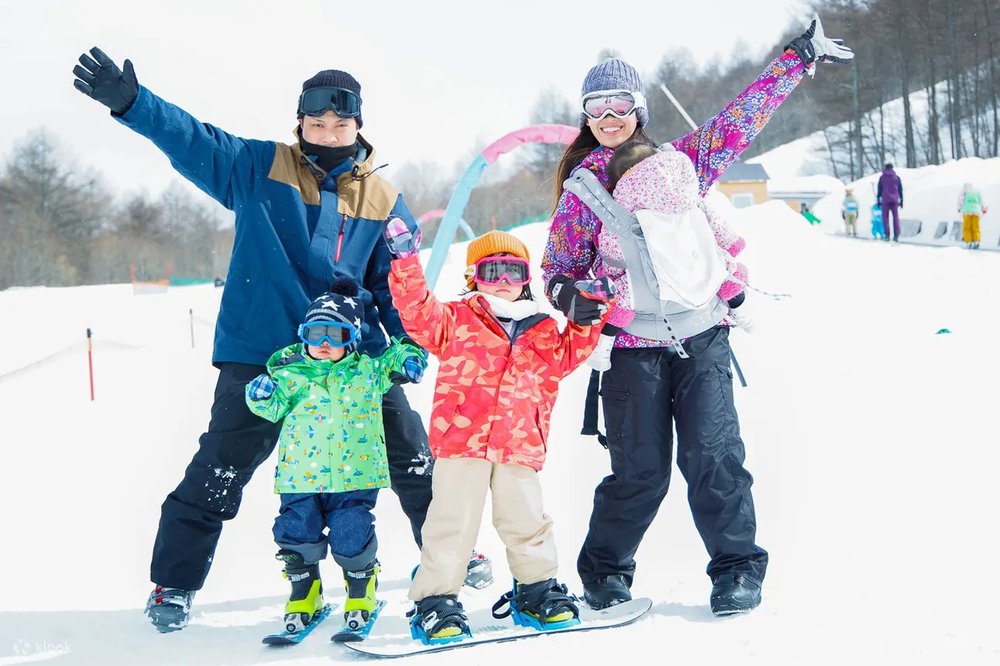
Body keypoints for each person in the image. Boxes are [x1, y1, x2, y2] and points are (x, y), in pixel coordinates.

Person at [70, 47, 492, 632]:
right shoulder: (257, 168)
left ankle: (451, 551)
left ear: (358, 125)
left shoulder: (384, 199)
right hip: (265, 351)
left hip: (353, 360)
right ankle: (174, 583)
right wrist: (135, 104)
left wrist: (405, 343)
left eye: (339, 123)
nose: (327, 132)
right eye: (316, 123)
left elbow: (391, 283)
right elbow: (194, 139)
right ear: (300, 123)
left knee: (412, 456)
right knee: (221, 464)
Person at [542, 15, 853, 616]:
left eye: (620, 104)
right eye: (596, 107)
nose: (609, 117)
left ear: (639, 107)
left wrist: (796, 61)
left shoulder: (684, 161)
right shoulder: (582, 190)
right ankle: (605, 571)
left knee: (714, 457)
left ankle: (736, 569)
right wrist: (569, 296)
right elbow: (557, 267)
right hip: (632, 347)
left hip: (703, 334)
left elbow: (740, 121)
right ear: (586, 116)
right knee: (641, 471)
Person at [383, 223, 612, 644]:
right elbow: (416, 312)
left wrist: (590, 312)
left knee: (526, 521)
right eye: (492, 272)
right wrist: (405, 262)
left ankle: (536, 590)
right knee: (451, 524)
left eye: (514, 272)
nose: (503, 282)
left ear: (527, 279)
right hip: (460, 442)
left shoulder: (543, 327)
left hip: (520, 442)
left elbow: (570, 355)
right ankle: (436, 601)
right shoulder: (454, 319)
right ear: (473, 277)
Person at [244, 278, 426, 635]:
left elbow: (396, 354)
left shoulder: (367, 373)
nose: (325, 344)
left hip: (354, 477)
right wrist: (261, 394)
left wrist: (409, 358)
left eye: (336, 335)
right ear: (304, 336)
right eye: (316, 334)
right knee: (296, 533)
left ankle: (361, 588)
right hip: (300, 479)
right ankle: (304, 590)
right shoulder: (290, 375)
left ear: (352, 339)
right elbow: (270, 407)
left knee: (351, 534)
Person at [585, 141, 750, 372]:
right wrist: (731, 245)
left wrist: (611, 274)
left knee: (621, 299)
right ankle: (742, 312)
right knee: (726, 272)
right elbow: (715, 223)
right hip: (699, 265)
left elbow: (615, 252)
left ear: (621, 183)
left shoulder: (624, 217)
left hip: (653, 280)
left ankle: (603, 346)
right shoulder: (688, 195)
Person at [877, 163, 903, 241]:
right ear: (892, 168)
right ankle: (896, 235)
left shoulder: (882, 178)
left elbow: (879, 189)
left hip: (885, 200)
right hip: (895, 200)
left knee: (885, 218)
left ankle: (887, 235)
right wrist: (902, 200)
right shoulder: (896, 178)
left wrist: (878, 199)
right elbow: (900, 189)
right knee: (895, 217)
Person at [957, 182, 988, 249]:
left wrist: (959, 208)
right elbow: (981, 200)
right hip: (976, 212)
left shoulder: (965, 188)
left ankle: (969, 242)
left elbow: (960, 199)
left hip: (967, 211)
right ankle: (976, 241)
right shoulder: (978, 189)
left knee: (967, 228)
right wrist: (984, 208)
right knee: (976, 227)